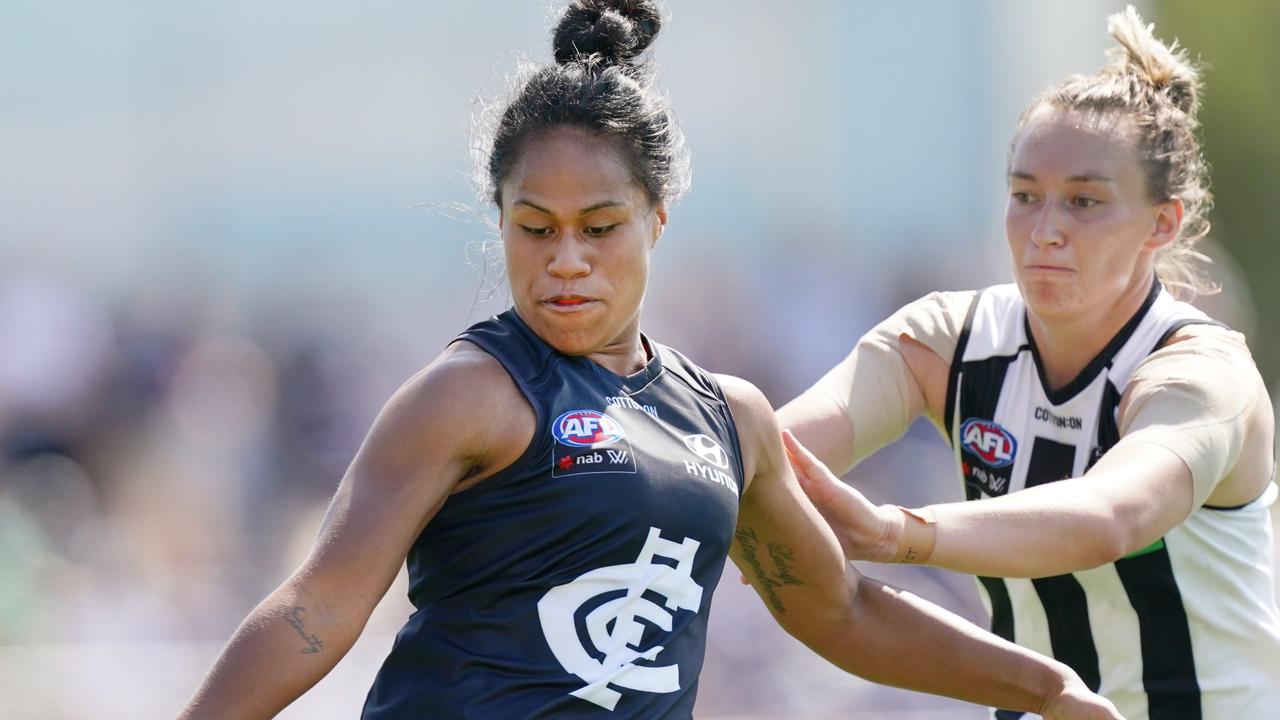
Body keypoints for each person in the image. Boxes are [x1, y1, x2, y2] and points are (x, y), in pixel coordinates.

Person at [176, 2, 1122, 718]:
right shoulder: (469, 396)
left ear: (657, 220)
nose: (566, 260)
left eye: (599, 227)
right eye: (533, 228)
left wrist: (1047, 688)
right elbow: (314, 613)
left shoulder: (730, 418)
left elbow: (840, 610)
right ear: (499, 224)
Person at [778, 6, 1280, 720]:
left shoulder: (1202, 374)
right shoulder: (949, 340)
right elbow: (775, 452)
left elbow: (1112, 518)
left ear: (1160, 224)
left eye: (1084, 201)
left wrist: (899, 534)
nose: (1044, 232)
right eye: (1024, 197)